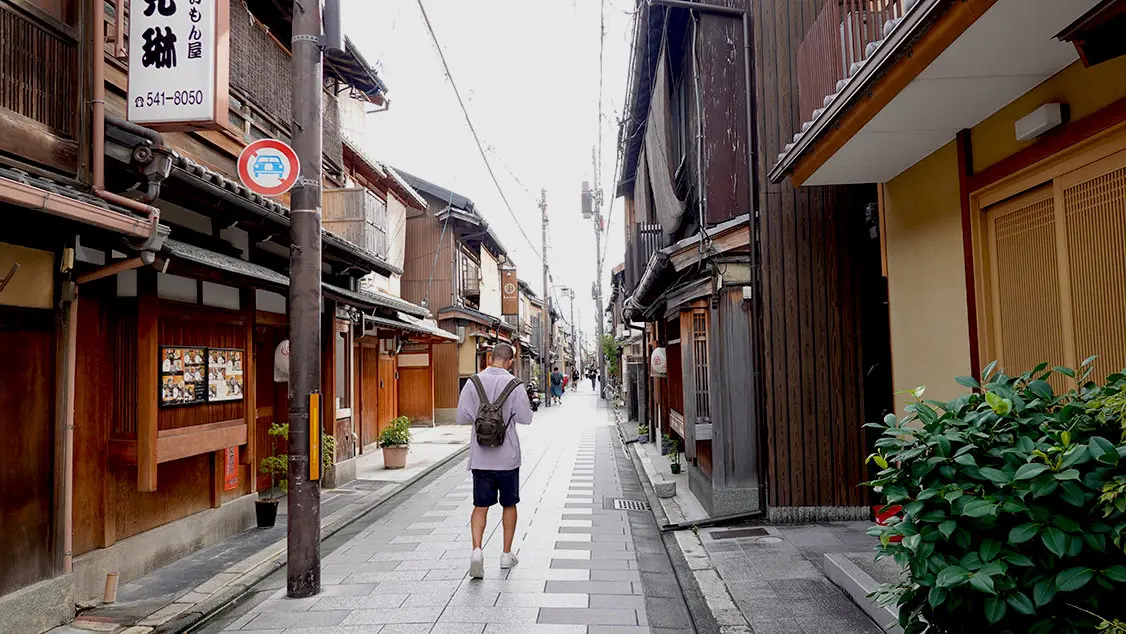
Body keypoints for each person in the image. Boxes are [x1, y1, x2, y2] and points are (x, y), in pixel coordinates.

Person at [456, 343, 533, 579]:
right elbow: (526, 418)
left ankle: (477, 551)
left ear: (489, 358)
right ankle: (506, 554)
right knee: (509, 505)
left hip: (480, 458)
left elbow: (461, 417)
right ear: (510, 362)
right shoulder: (515, 385)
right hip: (507, 459)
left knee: (480, 506)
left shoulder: (472, 382)